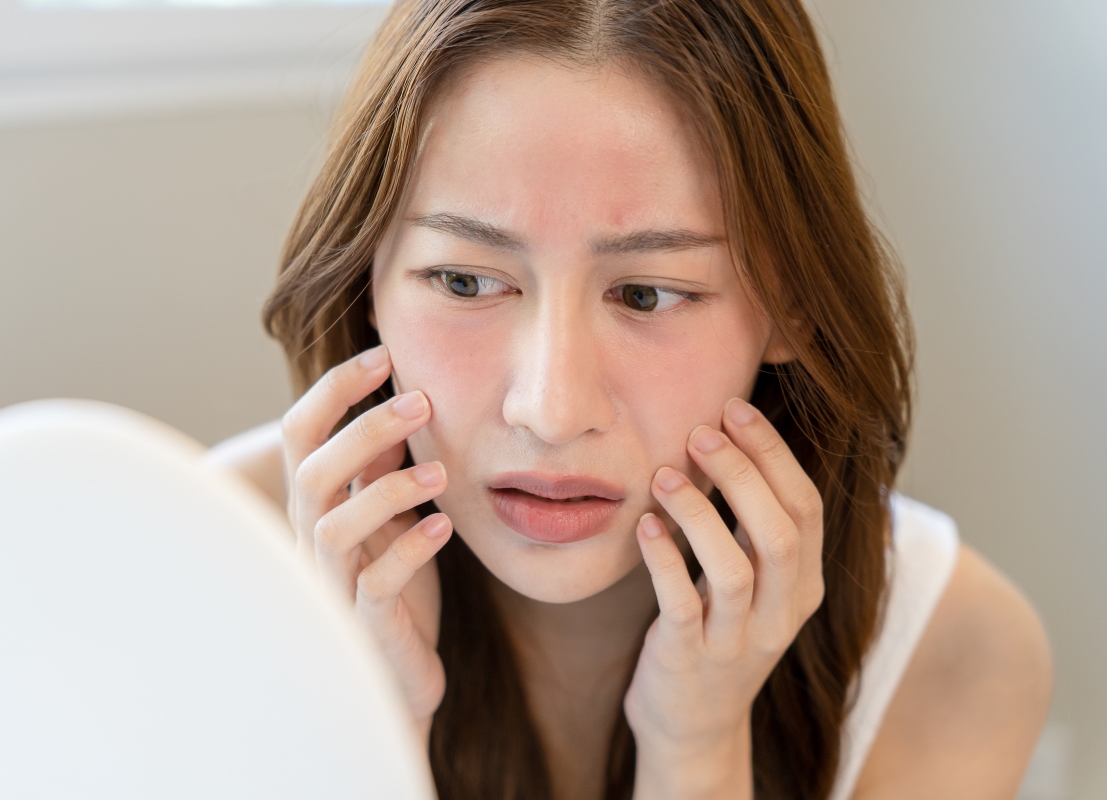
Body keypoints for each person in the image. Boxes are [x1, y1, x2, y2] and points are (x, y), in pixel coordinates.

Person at [207, 1, 1052, 797]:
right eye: (465, 280)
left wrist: (697, 754)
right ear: (366, 285)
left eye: (646, 294)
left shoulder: (955, 651)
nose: (550, 408)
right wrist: (365, 723)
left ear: (792, 305)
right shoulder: (189, 559)